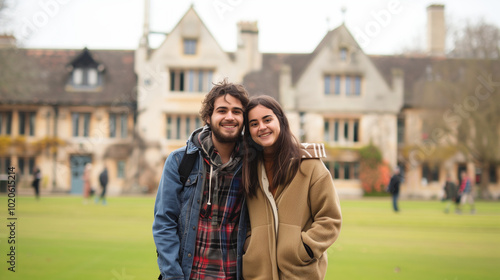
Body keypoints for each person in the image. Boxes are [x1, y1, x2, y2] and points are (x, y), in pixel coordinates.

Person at [152, 80, 250, 280]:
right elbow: (164, 222)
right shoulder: (180, 160)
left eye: (236, 111)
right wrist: (173, 276)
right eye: (222, 110)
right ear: (208, 116)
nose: (229, 117)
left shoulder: (253, 165)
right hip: (190, 275)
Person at [241, 95, 342, 279]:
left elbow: (330, 218)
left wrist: (306, 249)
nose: (262, 127)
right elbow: (244, 220)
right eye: (254, 124)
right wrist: (251, 245)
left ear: (281, 121)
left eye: (267, 119)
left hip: (300, 273)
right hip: (258, 274)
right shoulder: (247, 170)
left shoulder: (310, 166)